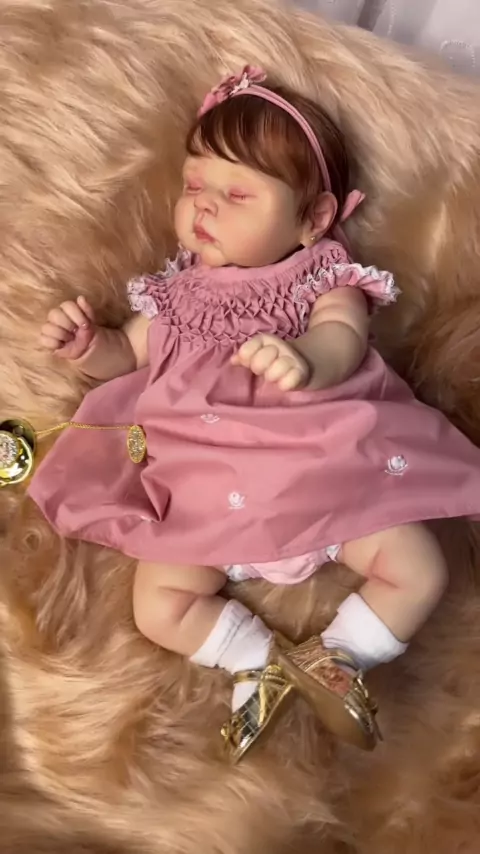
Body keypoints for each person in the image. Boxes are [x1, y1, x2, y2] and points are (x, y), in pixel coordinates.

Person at [27, 66, 480, 761]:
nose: (204, 207)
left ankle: (340, 656)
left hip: (324, 478)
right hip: (210, 497)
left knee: (420, 569)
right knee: (158, 604)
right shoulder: (176, 296)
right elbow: (126, 358)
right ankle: (259, 662)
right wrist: (90, 345)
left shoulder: (319, 278)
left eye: (237, 194)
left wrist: (306, 361)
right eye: (194, 185)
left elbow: (342, 337)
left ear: (314, 219)